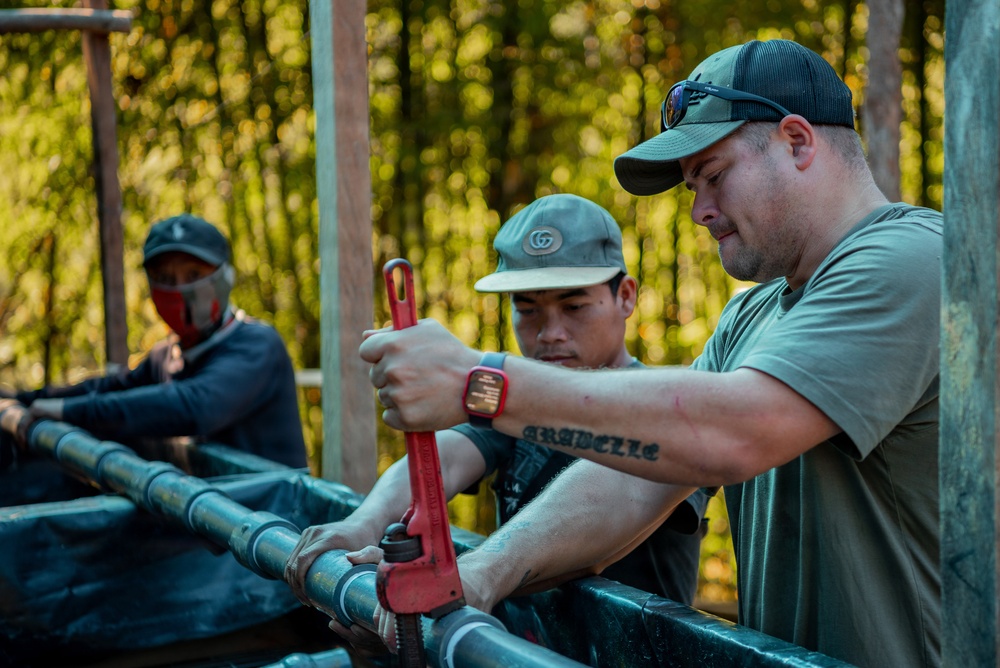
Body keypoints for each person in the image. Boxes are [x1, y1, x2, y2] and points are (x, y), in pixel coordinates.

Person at [359, 39, 941, 668]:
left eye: (713, 176)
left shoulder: (912, 260)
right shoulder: (752, 314)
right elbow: (632, 483)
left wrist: (482, 384)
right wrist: (479, 575)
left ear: (797, 142)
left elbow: (737, 430)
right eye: (692, 187)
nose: (699, 212)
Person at [285, 194, 710, 610]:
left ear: (626, 297)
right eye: (528, 310)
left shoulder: (667, 410)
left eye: (575, 305)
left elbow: (617, 501)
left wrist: (476, 575)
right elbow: (449, 455)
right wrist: (365, 522)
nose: (550, 333)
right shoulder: (512, 402)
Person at [11, 213, 307, 469]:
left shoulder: (257, 345)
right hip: (206, 510)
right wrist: (25, 400)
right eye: (165, 278)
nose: (179, 290)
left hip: (271, 514)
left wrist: (67, 411)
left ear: (225, 277)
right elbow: (112, 387)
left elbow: (193, 406)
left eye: (194, 274)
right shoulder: (167, 355)